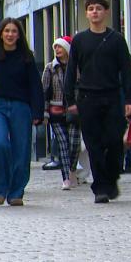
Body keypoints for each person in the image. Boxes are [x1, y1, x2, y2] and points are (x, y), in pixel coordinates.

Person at [64, 0, 131, 204]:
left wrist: (130, 99)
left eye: (98, 8)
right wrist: (70, 100)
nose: (94, 12)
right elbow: (71, 70)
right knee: (93, 144)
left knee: (114, 141)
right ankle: (100, 187)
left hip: (112, 96)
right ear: (87, 13)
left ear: (106, 12)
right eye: (90, 9)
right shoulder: (79, 40)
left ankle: (111, 178)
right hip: (87, 98)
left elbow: (126, 72)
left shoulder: (116, 40)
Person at [0, 18, 45, 206]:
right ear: (1, 34)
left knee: (22, 149)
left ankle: (16, 192)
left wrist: (38, 111)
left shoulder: (26, 57)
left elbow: (35, 85)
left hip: (21, 107)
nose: (10, 34)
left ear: (19, 35)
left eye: (14, 31)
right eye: (7, 31)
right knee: (0, 143)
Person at [41, 36, 82, 190]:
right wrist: (45, 112)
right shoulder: (50, 68)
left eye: (60, 47)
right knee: (63, 144)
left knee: (74, 144)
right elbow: (44, 91)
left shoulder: (77, 66)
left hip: (74, 110)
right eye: (55, 47)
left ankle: (72, 170)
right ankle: (66, 178)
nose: (57, 50)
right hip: (56, 110)